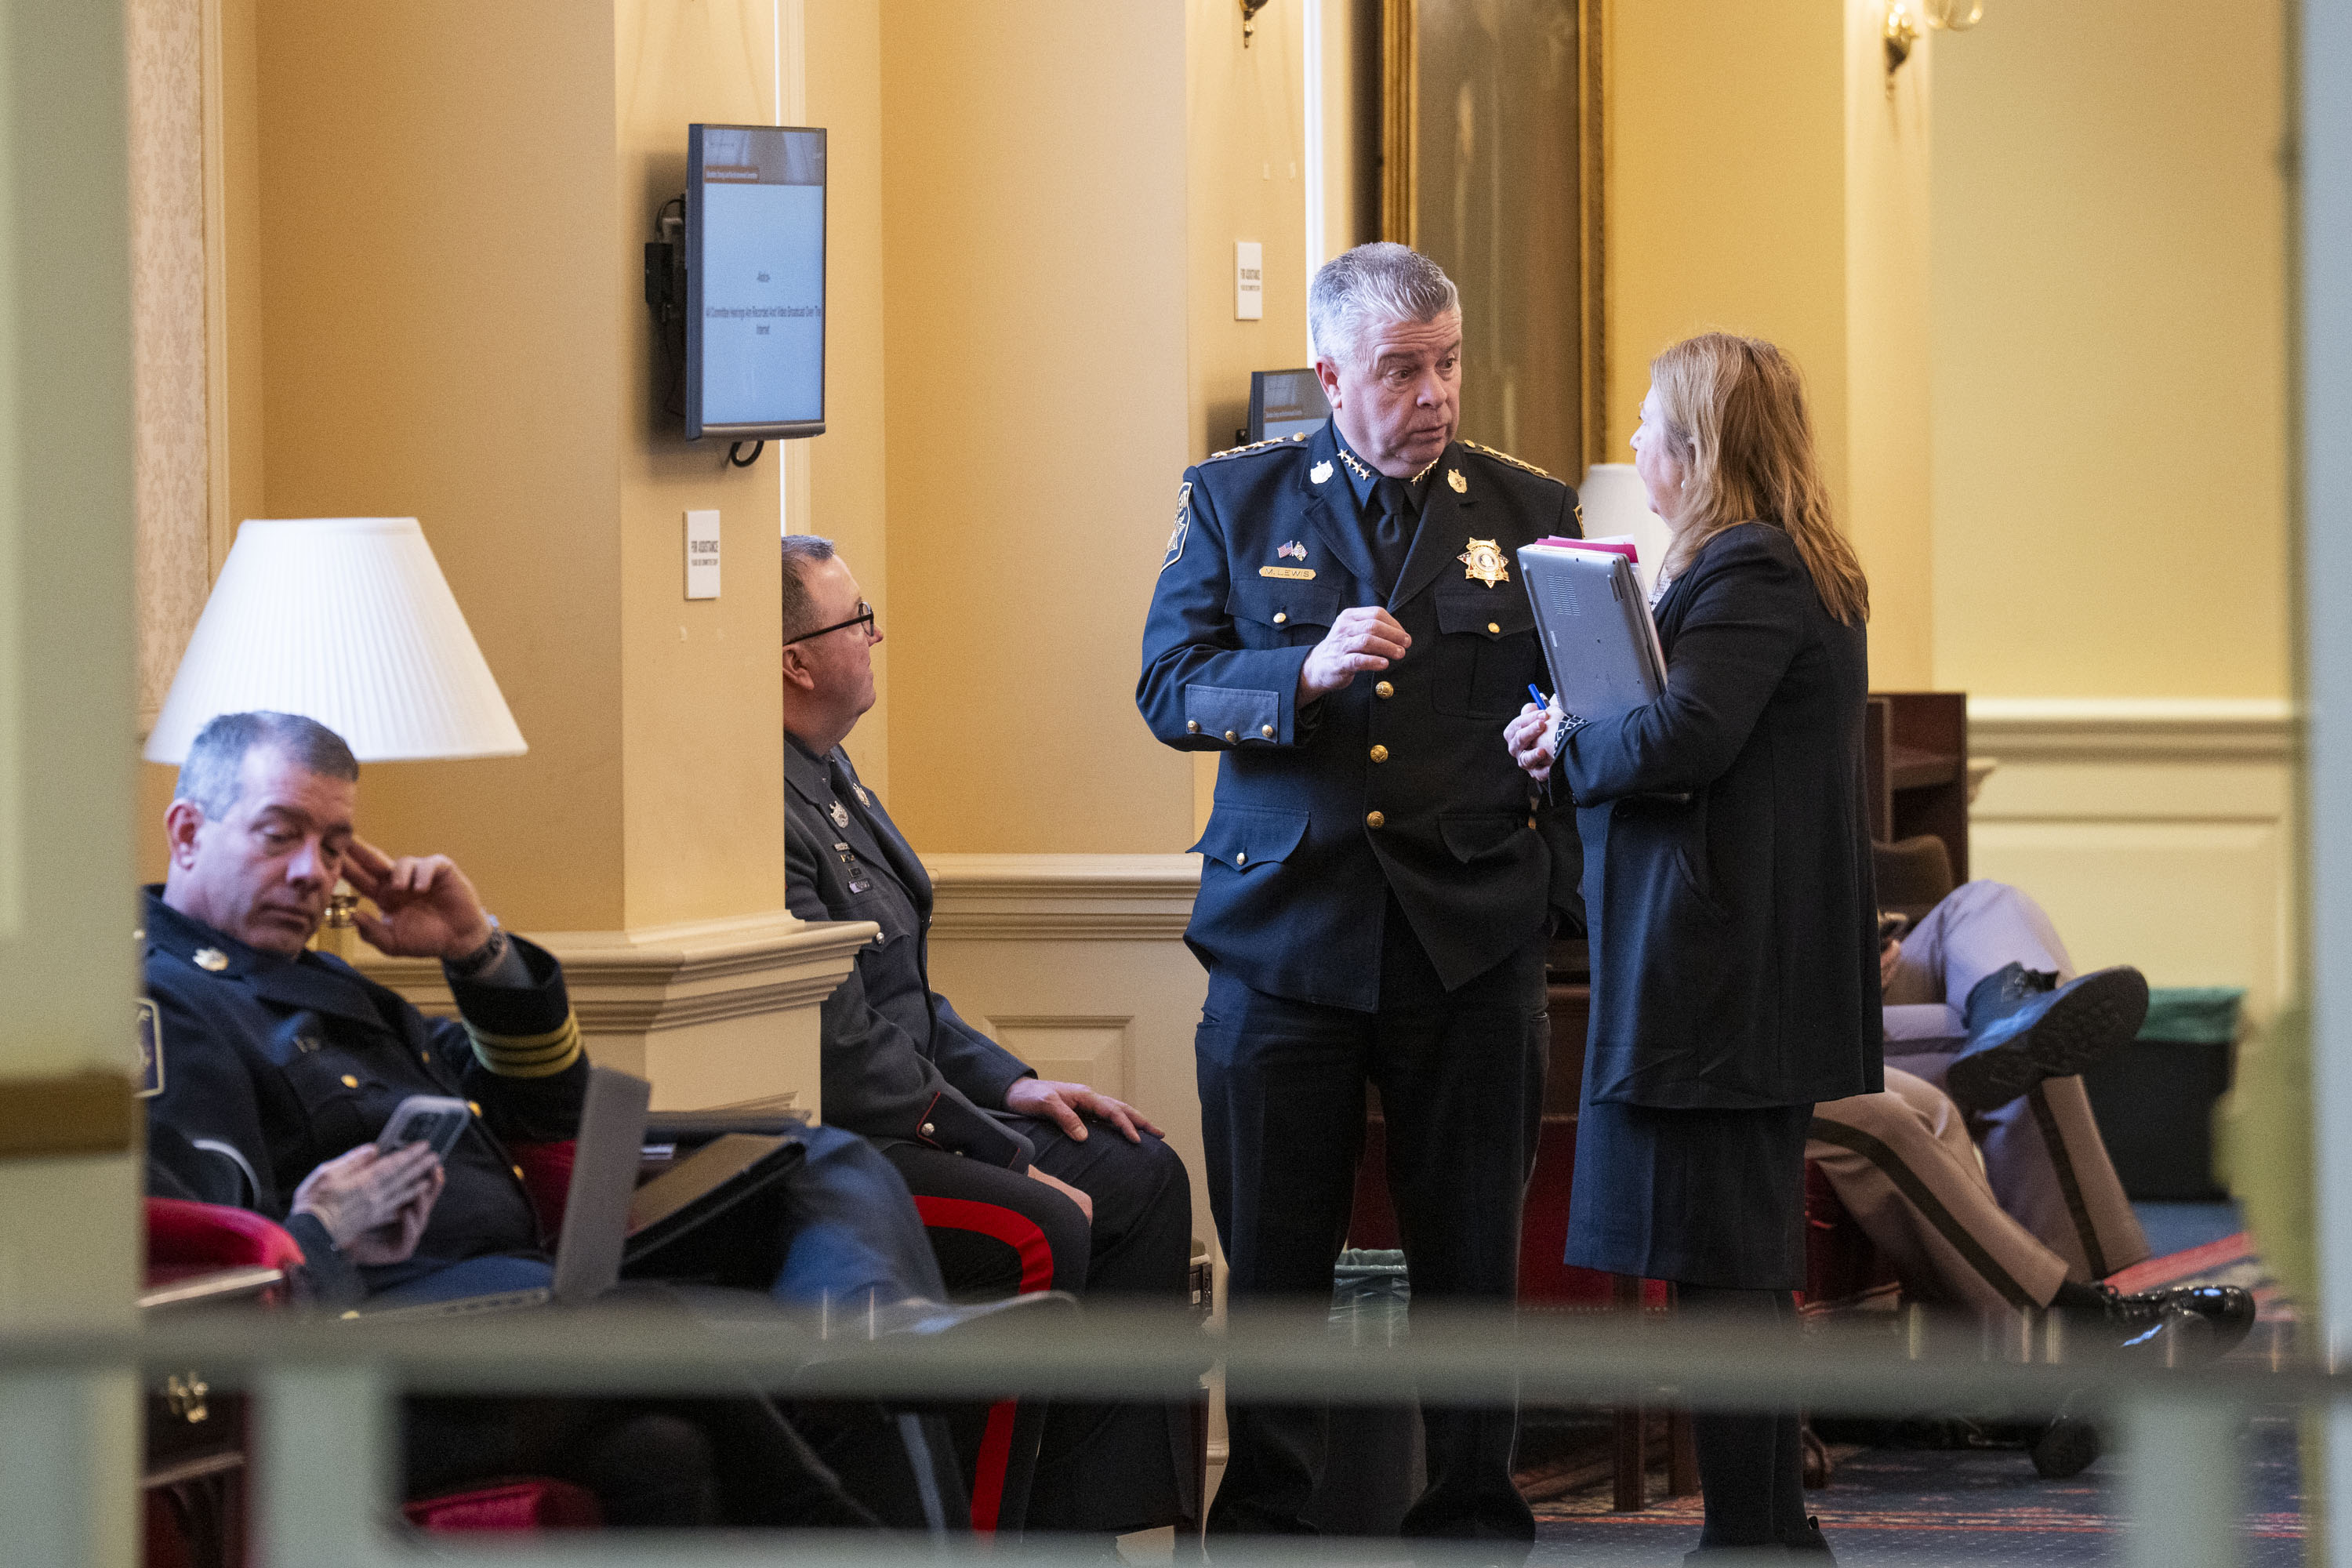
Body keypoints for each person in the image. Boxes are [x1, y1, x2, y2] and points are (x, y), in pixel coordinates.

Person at [140, 710, 970, 1526]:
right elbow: (200, 1270)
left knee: (808, 1175)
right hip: (369, 1349)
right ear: (186, 832)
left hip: (516, 1294)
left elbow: (545, 1104)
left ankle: (864, 1333)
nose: (311, 873)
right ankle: (851, 1517)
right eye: (279, 834)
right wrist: (321, 1228)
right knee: (640, 1320)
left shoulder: (327, 980)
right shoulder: (165, 1005)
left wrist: (476, 947)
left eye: (332, 845)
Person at [1138, 241, 1581, 1552]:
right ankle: (1269, 1524)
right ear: (1332, 374)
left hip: (1471, 933)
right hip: (1288, 937)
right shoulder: (1236, 500)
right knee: (1278, 1266)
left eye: (1448, 365)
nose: (1434, 394)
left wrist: (1559, 728)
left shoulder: (1529, 508)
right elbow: (1171, 690)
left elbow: (1592, 683)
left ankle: (1471, 1517)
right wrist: (1302, 680)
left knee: (1470, 1265)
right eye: (1402, 371)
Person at [1509, 332, 1874, 1560]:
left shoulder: (1752, 571)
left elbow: (1686, 740)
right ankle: (1761, 1532)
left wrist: (1568, 749)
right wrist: (1581, 729)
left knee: (1726, 1271)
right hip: (1731, 966)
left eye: (1650, 424)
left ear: (1700, 449)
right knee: (1733, 1267)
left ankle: (1751, 1536)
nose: (1633, 446)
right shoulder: (1776, 567)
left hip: (1717, 975)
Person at [778, 536, 1197, 1541]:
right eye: (854, 620)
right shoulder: (768, 802)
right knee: (1048, 1220)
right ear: (794, 660)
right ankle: (988, 1534)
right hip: (861, 1143)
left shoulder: (829, 773)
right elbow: (845, 1044)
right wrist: (1001, 1152)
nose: (877, 634)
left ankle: (1082, 1521)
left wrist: (1016, 1088)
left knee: (1144, 1175)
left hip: (931, 1108)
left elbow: (912, 994)